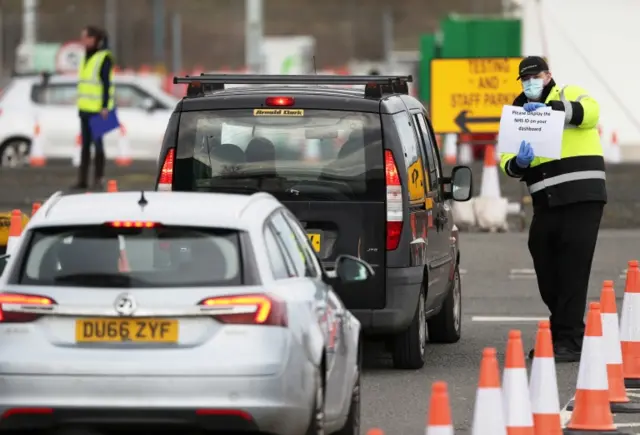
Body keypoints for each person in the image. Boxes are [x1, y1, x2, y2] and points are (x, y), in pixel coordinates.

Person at [499, 56, 606, 363]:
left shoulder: (568, 93)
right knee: (546, 264)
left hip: (582, 195)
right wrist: (517, 164)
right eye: (526, 78)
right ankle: (564, 333)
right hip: (546, 202)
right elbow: (505, 159)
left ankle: (569, 339)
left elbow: (592, 112)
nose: (531, 82)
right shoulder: (517, 114)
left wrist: (554, 111)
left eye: (537, 75)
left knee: (572, 267)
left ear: (548, 75)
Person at [72, 25, 115, 191]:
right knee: (85, 146)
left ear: (94, 39)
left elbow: (106, 84)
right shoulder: (86, 56)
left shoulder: (104, 57)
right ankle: (82, 180)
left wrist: (104, 106)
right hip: (84, 109)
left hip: (98, 110)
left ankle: (98, 178)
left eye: (85, 37)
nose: (83, 41)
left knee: (98, 145)